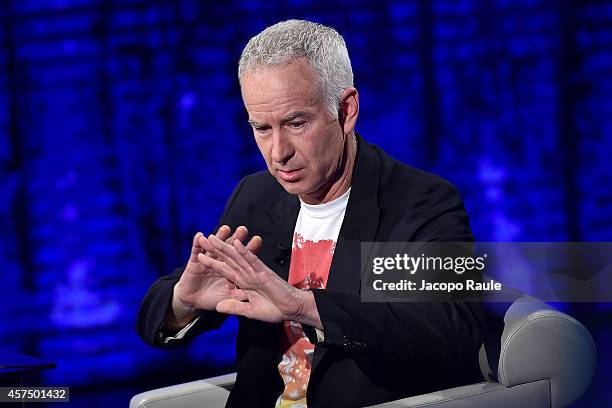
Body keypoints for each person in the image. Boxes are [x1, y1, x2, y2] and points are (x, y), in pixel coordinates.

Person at [137, 19, 484, 408]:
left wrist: (303, 305)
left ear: (346, 110)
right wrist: (185, 302)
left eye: (295, 123)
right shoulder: (256, 195)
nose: (278, 152)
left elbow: (450, 333)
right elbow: (154, 318)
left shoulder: (417, 204)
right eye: (262, 128)